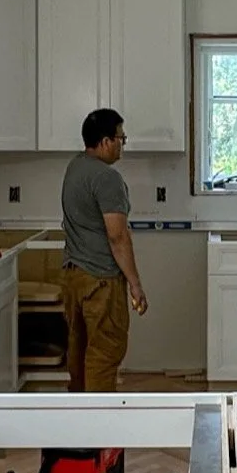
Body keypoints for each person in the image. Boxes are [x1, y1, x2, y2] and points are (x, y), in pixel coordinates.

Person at [59, 107, 147, 392]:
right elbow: (117, 237)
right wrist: (135, 285)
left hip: (74, 277)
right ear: (106, 141)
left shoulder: (75, 167)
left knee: (78, 351)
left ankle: (79, 414)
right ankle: (100, 416)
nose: (123, 144)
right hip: (101, 282)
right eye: (121, 138)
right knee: (104, 353)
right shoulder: (106, 178)